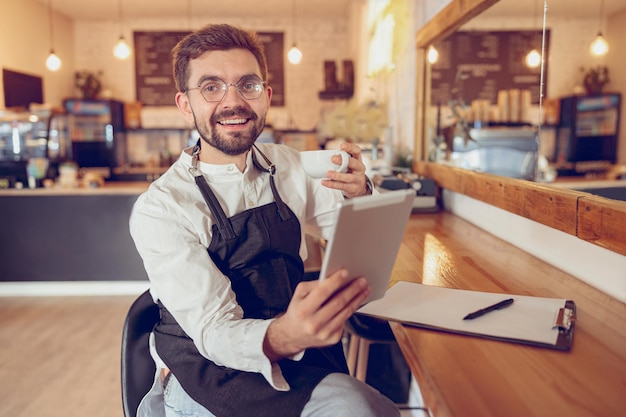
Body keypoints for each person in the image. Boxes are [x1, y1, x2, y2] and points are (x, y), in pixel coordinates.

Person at [129, 23, 399, 417]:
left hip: (295, 352)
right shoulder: (162, 208)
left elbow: (347, 229)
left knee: (369, 407)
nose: (232, 101)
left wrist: (360, 194)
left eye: (248, 85)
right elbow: (214, 331)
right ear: (186, 104)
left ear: (266, 96)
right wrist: (285, 335)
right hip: (208, 373)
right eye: (210, 87)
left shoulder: (287, 165)